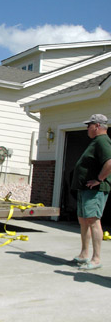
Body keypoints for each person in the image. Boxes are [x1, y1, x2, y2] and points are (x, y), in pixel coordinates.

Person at [71, 114, 111, 270]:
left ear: (98, 126)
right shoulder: (96, 141)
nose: (87, 128)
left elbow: (110, 162)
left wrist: (99, 179)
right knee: (83, 220)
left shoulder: (102, 141)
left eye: (89, 125)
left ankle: (96, 259)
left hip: (96, 190)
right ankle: (84, 254)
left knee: (93, 221)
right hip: (85, 189)